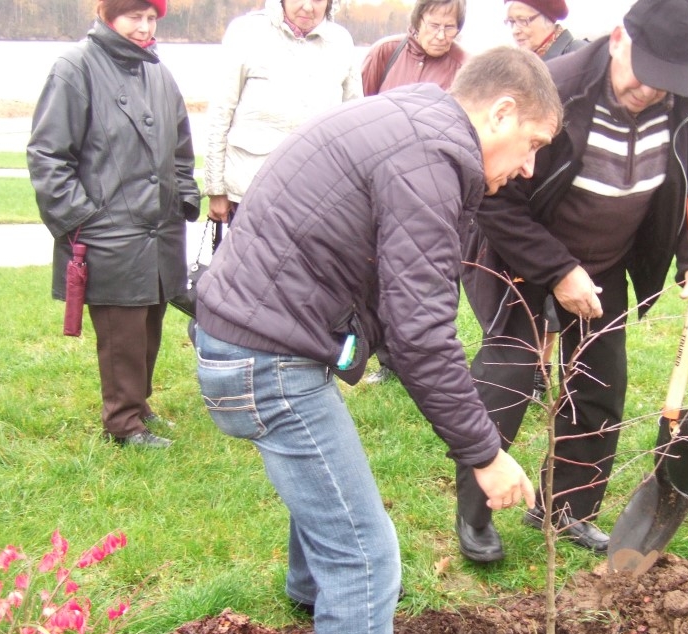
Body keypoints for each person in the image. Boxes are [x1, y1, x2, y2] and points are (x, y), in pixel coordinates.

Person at [193, 47, 561, 634]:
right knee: (365, 560)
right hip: (261, 359)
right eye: (535, 144)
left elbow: (402, 317)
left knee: (333, 495)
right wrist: (484, 455)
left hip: (245, 333)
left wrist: (433, 391)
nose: (530, 167)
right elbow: (423, 335)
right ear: (503, 112)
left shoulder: (418, 123)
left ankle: (309, 597)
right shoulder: (433, 161)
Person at [454, 0, 688, 563]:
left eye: (666, 82)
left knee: (600, 391)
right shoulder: (555, 89)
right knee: (504, 384)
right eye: (645, 76)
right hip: (522, 261)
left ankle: (566, 507)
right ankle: (476, 514)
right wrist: (557, 270)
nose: (652, 92)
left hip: (605, 266)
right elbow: (494, 200)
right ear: (619, 38)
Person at [27, 0, 200, 449]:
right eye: (133, 17)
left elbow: (181, 147)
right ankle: (122, 424)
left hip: (159, 230)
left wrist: (184, 197)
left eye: (151, 18)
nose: (144, 28)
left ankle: (139, 407)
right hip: (107, 233)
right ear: (107, 14)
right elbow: (47, 156)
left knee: (149, 326)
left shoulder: (158, 73)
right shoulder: (74, 67)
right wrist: (82, 220)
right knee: (121, 333)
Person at [360, 0, 469, 385]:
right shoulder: (385, 54)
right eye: (434, 24)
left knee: (432, 276)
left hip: (434, 188)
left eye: (450, 27)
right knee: (379, 272)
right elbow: (363, 111)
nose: (441, 35)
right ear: (417, 21)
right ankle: (386, 360)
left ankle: (429, 362)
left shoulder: (465, 66)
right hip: (381, 180)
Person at [203, 0, 359, 225]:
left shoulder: (342, 42)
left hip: (318, 198)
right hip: (251, 195)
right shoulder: (245, 33)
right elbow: (219, 114)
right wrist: (216, 189)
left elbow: (352, 124)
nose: (307, 7)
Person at [504, 0, 587, 399]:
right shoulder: (517, 63)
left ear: (552, 17)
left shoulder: (573, 60)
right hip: (522, 193)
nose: (518, 29)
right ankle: (533, 367)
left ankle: (547, 370)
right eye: (511, 22)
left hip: (561, 200)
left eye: (525, 20)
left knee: (559, 295)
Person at [504, 0, 585, 60]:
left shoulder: (580, 55)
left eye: (523, 20)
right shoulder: (517, 65)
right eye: (511, 22)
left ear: (548, 19)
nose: (515, 31)